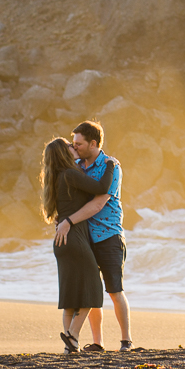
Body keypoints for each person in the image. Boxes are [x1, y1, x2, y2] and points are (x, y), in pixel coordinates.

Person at [54, 120, 132, 352]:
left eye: (78, 143)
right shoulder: (76, 165)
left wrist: (68, 221)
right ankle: (97, 342)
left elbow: (98, 204)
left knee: (114, 291)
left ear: (93, 143)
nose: (75, 147)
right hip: (84, 237)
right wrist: (62, 218)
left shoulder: (111, 166)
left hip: (108, 235)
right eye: (74, 144)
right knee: (90, 290)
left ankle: (126, 340)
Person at [39, 136, 116, 354]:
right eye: (69, 146)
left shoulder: (55, 179)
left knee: (70, 297)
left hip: (61, 243)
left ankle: (69, 348)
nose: (74, 147)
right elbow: (102, 187)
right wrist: (110, 164)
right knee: (92, 291)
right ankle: (72, 336)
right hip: (74, 239)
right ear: (64, 153)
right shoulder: (70, 175)